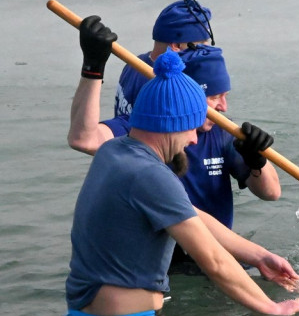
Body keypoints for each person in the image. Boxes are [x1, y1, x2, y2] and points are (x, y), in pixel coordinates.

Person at [64, 51, 299, 316]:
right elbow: (213, 260)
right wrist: (271, 308)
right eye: (191, 127)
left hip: (87, 315)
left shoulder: (114, 152)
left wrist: (259, 256)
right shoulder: (151, 175)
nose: (195, 139)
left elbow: (193, 216)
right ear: (173, 123)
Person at [68, 16, 281, 233]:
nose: (223, 107)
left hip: (213, 250)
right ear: (188, 98)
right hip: (159, 256)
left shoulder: (224, 133)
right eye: (215, 97)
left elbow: (271, 193)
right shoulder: (143, 129)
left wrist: (257, 162)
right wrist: (93, 68)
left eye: (225, 96)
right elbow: (83, 139)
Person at [114, 0, 215, 119]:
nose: (206, 53)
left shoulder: (134, 63)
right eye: (201, 47)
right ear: (176, 46)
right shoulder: (167, 88)